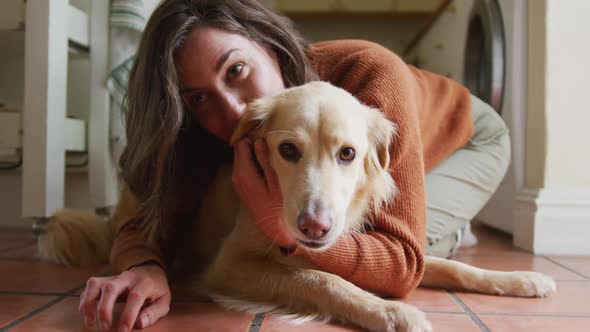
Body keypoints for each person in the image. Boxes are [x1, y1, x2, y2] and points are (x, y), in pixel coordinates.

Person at [78, 0, 511, 331]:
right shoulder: (228, 128)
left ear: (266, 41)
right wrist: (144, 266)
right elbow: (139, 215)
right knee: (339, 231)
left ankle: (440, 230)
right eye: (198, 97)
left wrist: (280, 230)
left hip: (468, 141)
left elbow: (399, 268)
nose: (231, 109)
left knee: (393, 248)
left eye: (237, 69)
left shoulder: (370, 77)